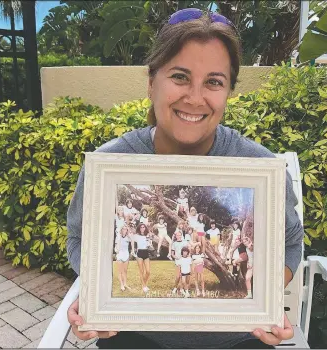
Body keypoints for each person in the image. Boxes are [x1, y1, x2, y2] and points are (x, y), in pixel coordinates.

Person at [66, 7, 302, 348]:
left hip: (238, 340)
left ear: (229, 91)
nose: (194, 97)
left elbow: (291, 242)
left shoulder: (258, 166)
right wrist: (94, 291)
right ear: (151, 83)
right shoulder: (110, 164)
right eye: (179, 76)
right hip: (136, 337)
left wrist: (263, 297)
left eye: (214, 82)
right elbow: (78, 239)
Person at [133, 223, 151, 293]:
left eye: (143, 227)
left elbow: (149, 244)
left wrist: (149, 240)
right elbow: (131, 239)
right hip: (139, 253)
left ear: (145, 228)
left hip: (146, 253)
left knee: (148, 272)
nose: (142, 228)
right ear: (139, 229)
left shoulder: (147, 235)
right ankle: (144, 286)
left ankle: (144, 284)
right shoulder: (136, 236)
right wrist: (133, 250)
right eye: (141, 227)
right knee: (141, 271)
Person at [114, 225, 133, 292]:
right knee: (120, 271)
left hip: (126, 254)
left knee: (125, 271)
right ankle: (121, 285)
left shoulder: (128, 237)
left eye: (125, 229)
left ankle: (125, 284)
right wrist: (117, 252)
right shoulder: (118, 237)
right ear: (121, 230)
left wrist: (132, 251)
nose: (124, 230)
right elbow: (116, 245)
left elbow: (132, 241)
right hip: (120, 254)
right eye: (123, 229)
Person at [171, 230, 189, 297]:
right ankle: (175, 288)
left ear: (181, 235)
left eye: (179, 235)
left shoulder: (184, 243)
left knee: (183, 276)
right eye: (177, 235)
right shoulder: (174, 243)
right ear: (176, 236)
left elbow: (187, 251)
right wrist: (176, 257)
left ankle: (182, 289)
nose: (178, 236)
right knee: (178, 276)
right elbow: (172, 254)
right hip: (178, 261)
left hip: (184, 261)